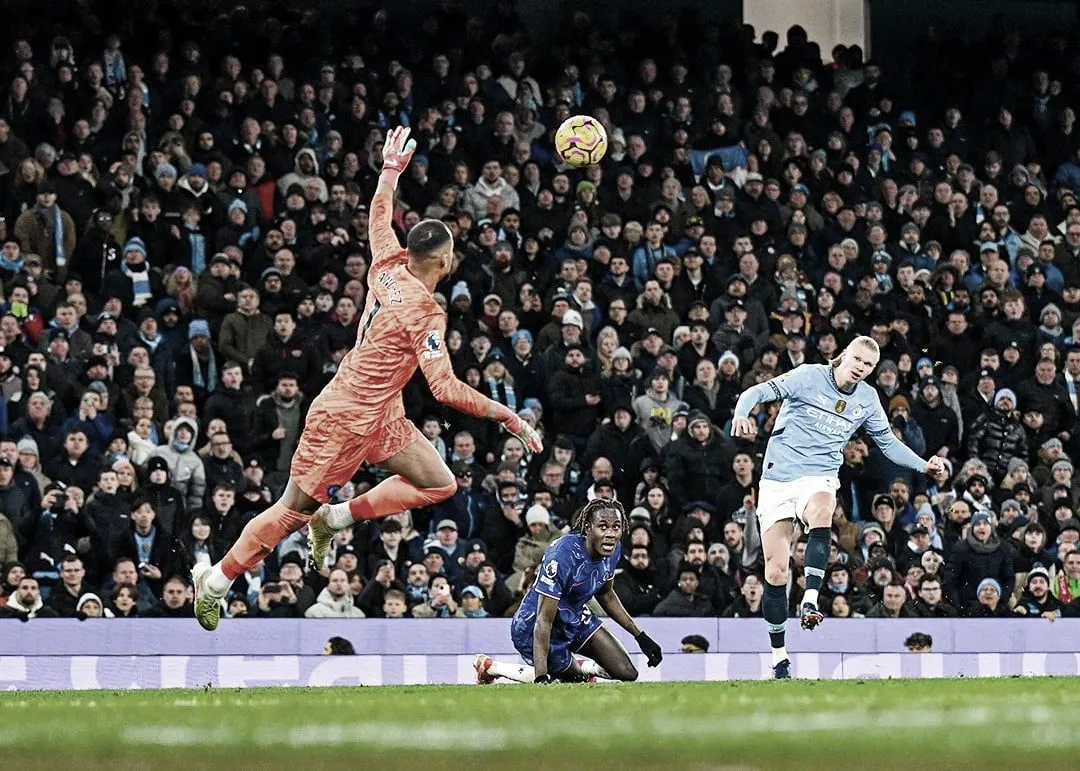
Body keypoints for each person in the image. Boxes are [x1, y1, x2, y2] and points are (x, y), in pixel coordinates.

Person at [191, 127, 542, 630]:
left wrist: (390, 171)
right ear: (444, 261)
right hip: (342, 419)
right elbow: (444, 389)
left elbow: (379, 217)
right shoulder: (425, 312)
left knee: (439, 483)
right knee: (290, 510)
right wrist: (510, 417)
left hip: (382, 413)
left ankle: (336, 517)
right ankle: (218, 581)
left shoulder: (387, 266)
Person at [730, 335, 946, 678]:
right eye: (857, 360)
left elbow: (888, 443)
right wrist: (742, 414)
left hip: (820, 475)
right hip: (778, 479)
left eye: (868, 365)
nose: (861, 368)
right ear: (844, 356)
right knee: (775, 571)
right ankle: (779, 656)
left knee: (821, 511)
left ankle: (811, 598)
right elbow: (756, 392)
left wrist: (923, 464)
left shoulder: (867, 399)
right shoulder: (808, 376)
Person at [473, 499, 663, 684]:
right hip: (534, 626)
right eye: (603, 526)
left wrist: (641, 636)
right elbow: (543, 620)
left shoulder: (613, 549)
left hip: (574, 616)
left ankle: (583, 668)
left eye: (616, 527)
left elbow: (606, 595)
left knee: (628, 673)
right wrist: (541, 677)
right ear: (588, 528)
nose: (611, 533)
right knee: (572, 680)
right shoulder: (561, 556)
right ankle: (492, 668)